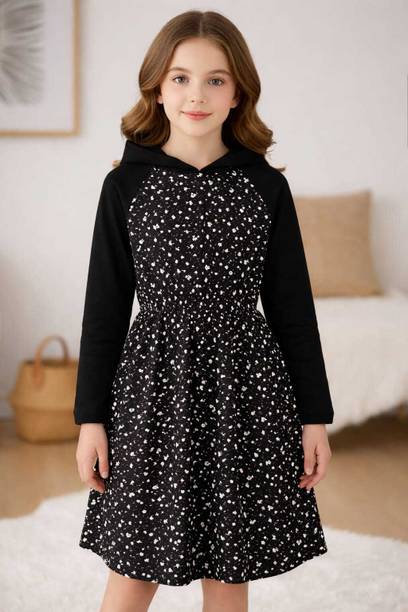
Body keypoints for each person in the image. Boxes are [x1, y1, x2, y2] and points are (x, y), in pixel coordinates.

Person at [74, 9, 334, 612]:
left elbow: (294, 310)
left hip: (245, 394)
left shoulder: (265, 187)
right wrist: (90, 419)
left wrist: (314, 417)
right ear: (157, 90)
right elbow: (103, 312)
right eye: (181, 78)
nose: (197, 95)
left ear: (238, 91)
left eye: (216, 79)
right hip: (150, 397)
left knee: (229, 569)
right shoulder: (126, 187)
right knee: (134, 567)